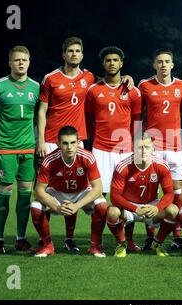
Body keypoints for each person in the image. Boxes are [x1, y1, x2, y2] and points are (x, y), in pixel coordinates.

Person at [36, 37, 133, 252]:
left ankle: (71, 240)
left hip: (77, 141)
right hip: (52, 141)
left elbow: (110, 81)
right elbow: (42, 110)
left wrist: (127, 77)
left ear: (81, 54)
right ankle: (45, 240)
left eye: (77, 51)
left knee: (74, 188)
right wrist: (40, 141)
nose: (74, 54)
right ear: (63, 54)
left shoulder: (88, 78)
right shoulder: (50, 78)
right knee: (49, 192)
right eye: (70, 50)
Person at [0, 45, 39, 254]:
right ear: (10, 63)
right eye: (17, 60)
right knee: (4, 193)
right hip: (6, 150)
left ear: (29, 62)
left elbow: (43, 115)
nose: (21, 63)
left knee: (25, 196)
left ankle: (20, 239)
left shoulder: (36, 87)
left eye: (24, 59)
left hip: (28, 150)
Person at [84, 46, 142, 252]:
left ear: (121, 63)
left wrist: (135, 147)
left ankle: (129, 240)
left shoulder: (132, 90)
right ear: (103, 64)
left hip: (125, 152)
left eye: (115, 60)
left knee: (128, 197)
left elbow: (136, 121)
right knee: (99, 199)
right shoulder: (93, 90)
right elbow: (89, 119)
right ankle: (95, 243)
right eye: (108, 60)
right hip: (100, 150)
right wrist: (96, 140)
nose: (112, 63)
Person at [30, 126, 108, 257]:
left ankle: (95, 246)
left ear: (78, 142)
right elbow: (38, 190)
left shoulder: (88, 157)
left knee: (101, 203)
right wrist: (56, 207)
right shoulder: (49, 160)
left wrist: (77, 205)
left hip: (81, 192)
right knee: (35, 206)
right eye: (65, 143)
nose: (69, 147)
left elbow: (98, 188)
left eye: (72, 142)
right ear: (58, 144)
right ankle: (47, 245)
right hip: (57, 193)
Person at [138, 48, 182, 250]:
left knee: (176, 193)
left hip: (175, 146)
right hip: (153, 147)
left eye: (167, 61)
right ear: (154, 65)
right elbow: (137, 112)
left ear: (173, 64)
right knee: (150, 191)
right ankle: (150, 235)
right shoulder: (145, 85)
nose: (164, 65)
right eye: (159, 61)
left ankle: (177, 236)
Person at [106, 131, 179, 257]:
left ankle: (158, 243)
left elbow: (169, 194)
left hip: (151, 206)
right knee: (112, 212)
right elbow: (114, 196)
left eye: (147, 147)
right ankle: (121, 244)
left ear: (153, 149)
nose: (143, 151)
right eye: (140, 147)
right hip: (129, 207)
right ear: (133, 149)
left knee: (174, 210)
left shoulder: (161, 166)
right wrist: (135, 209)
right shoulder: (123, 166)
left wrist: (157, 207)